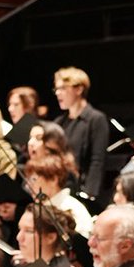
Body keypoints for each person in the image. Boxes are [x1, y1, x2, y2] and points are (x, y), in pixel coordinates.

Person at [53, 66, 111, 200]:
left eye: (62, 88)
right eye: (56, 89)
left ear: (79, 89)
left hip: (83, 190)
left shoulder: (96, 119)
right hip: (61, 189)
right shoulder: (59, 122)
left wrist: (89, 194)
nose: (57, 93)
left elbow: (98, 160)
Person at [25, 151, 94, 237]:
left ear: (54, 179)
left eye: (34, 179)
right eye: (28, 180)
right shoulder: (40, 206)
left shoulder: (73, 208)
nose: (28, 185)